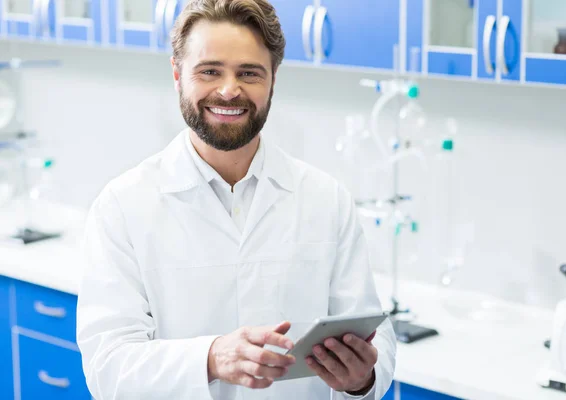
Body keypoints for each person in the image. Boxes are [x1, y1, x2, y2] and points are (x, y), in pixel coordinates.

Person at [76, 0, 397, 398]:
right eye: (210, 71)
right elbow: (107, 368)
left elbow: (376, 340)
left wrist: (361, 380)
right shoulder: (122, 206)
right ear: (177, 75)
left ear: (273, 80)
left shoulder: (326, 200)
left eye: (249, 73)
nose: (230, 90)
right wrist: (210, 358)